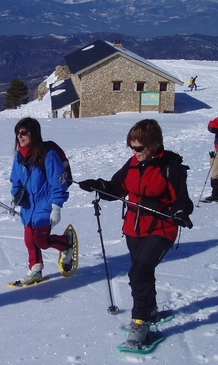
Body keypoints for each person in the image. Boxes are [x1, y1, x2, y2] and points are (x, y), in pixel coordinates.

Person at [78, 119, 194, 348]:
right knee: (143, 272)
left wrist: (180, 212)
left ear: (153, 145)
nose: (135, 152)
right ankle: (149, 311)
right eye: (132, 147)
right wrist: (97, 186)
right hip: (134, 228)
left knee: (139, 273)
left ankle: (139, 323)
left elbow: (182, 200)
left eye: (139, 148)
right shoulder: (132, 163)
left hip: (161, 229)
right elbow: (115, 189)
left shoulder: (168, 167)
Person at [9, 117, 73, 286]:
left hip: (45, 205)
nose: (20, 136)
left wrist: (56, 207)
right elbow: (16, 180)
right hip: (28, 207)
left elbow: (58, 182)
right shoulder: (19, 157)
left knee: (41, 241)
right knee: (30, 240)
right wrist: (16, 197)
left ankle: (66, 243)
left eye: (24, 132)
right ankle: (35, 270)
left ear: (34, 133)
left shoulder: (48, 155)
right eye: (17, 133)